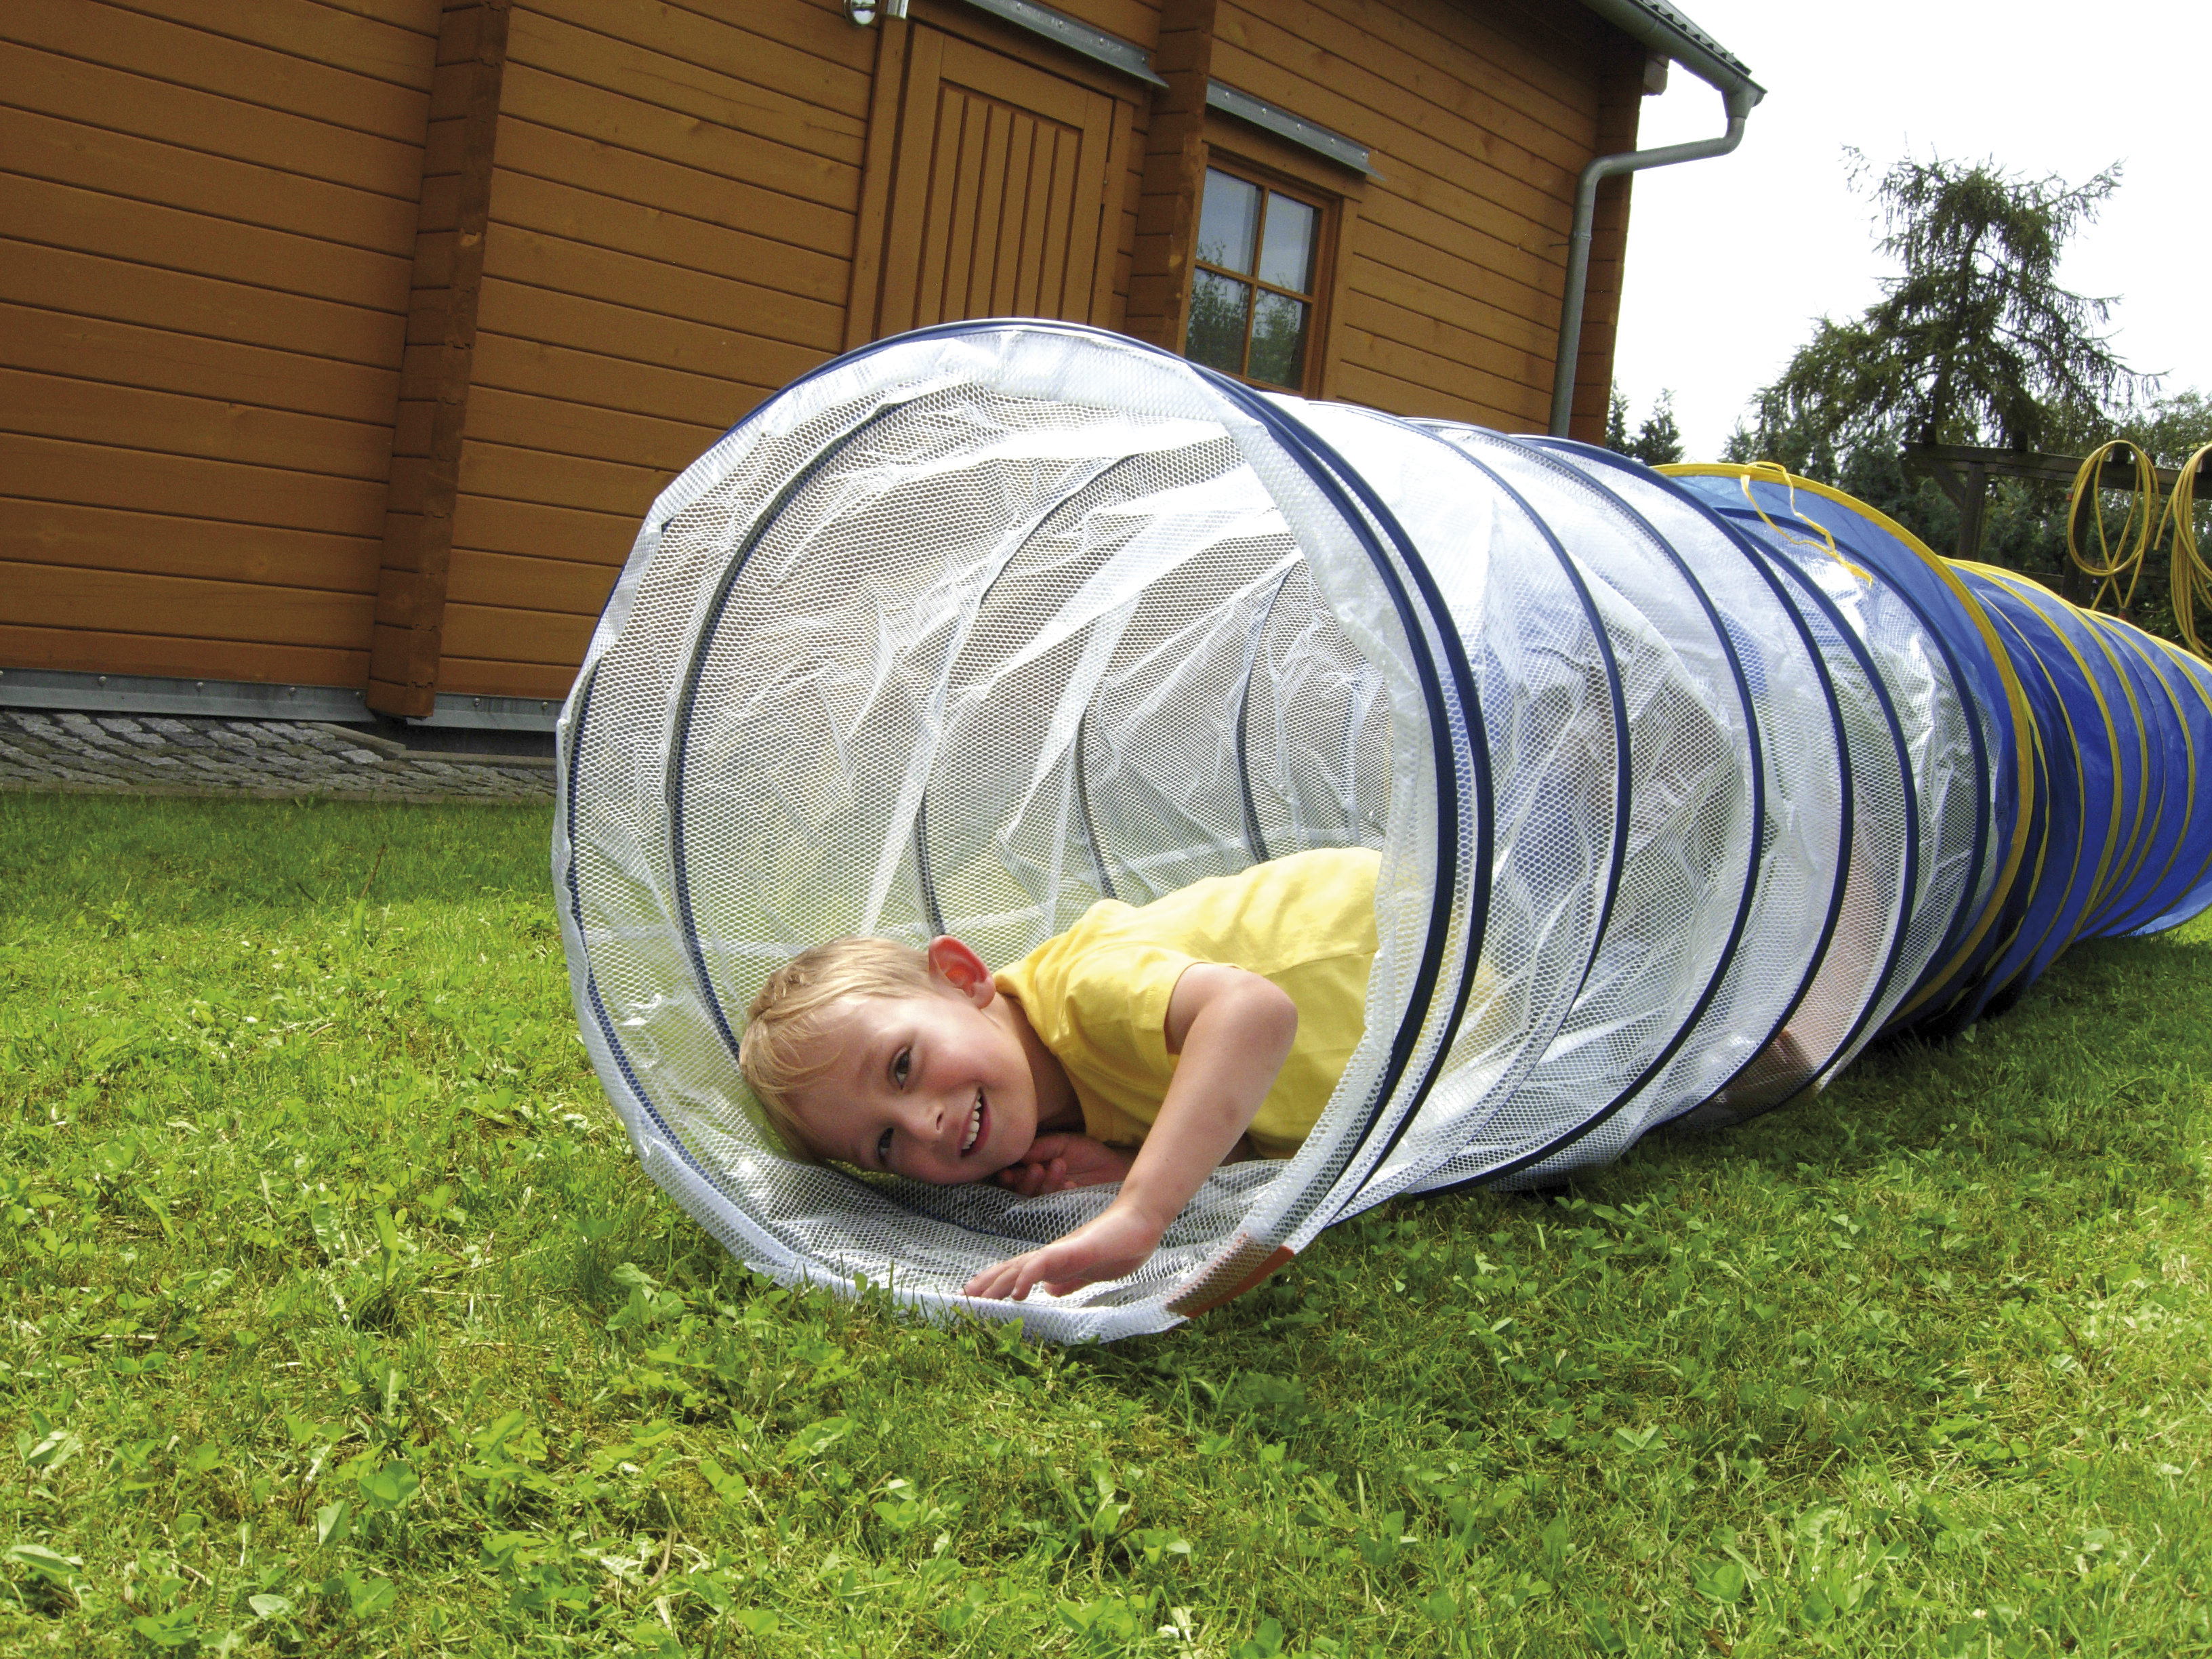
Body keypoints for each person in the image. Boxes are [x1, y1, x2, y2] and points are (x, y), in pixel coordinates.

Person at [737, 846, 1380, 1302]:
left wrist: (1141, 1208)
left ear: (962, 978)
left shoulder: (1083, 991)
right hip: (1401, 1066)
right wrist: (1129, 1165)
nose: (922, 1124)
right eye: (884, 1145)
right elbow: (1244, 1120)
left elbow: (1254, 1013)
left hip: (1416, 939)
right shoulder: (1059, 1114)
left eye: (903, 1066)